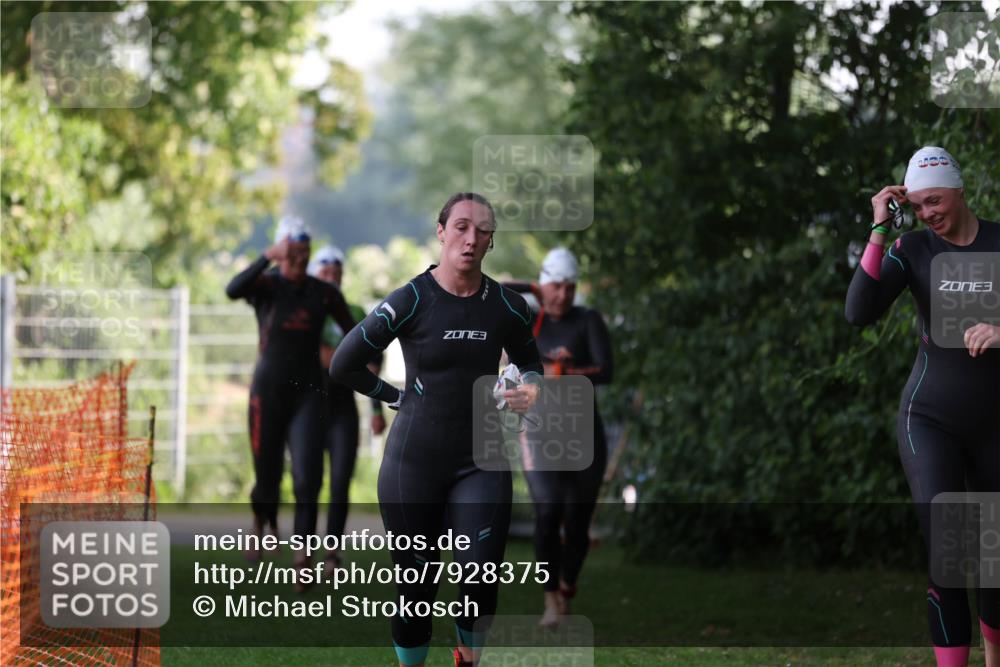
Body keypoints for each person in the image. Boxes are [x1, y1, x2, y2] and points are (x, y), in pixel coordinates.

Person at [329, 193, 543, 667]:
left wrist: (531, 388)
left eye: (482, 230)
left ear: (491, 241)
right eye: (461, 227)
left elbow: (530, 363)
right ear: (442, 231)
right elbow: (344, 364)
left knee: (480, 575)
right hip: (414, 463)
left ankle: (469, 660)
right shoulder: (411, 299)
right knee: (416, 587)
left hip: (480, 461)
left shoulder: (507, 306)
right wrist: (396, 397)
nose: (471, 238)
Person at [845, 147, 1000, 667]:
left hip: (995, 424)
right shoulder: (912, 248)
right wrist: (880, 231)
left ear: (959, 189)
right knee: (950, 554)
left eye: (935, 200)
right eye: (918, 204)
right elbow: (858, 312)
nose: (928, 212)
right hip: (930, 419)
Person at [225, 216, 356, 586]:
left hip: (308, 394)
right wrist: (268, 255)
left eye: (305, 253)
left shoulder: (323, 292)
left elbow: (355, 331)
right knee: (267, 478)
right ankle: (260, 521)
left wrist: (362, 361)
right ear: (282, 250)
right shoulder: (266, 286)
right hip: (267, 393)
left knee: (307, 477)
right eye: (293, 252)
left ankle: (304, 557)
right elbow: (232, 290)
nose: (300, 259)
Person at [506, 247, 614, 627]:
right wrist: (531, 287)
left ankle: (567, 586)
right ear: (543, 284)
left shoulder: (587, 320)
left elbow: (606, 370)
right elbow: (496, 287)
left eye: (569, 287)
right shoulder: (529, 320)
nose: (563, 295)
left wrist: (565, 373)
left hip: (584, 434)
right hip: (538, 433)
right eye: (555, 286)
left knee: (577, 518)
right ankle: (551, 598)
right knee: (548, 509)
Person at [308, 244, 386, 576]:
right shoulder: (306, 310)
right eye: (325, 274)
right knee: (308, 483)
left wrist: (376, 407)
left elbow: (369, 362)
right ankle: (305, 553)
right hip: (309, 410)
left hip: (343, 408)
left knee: (340, 482)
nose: (331, 280)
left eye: (336, 275)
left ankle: (332, 555)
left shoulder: (352, 310)